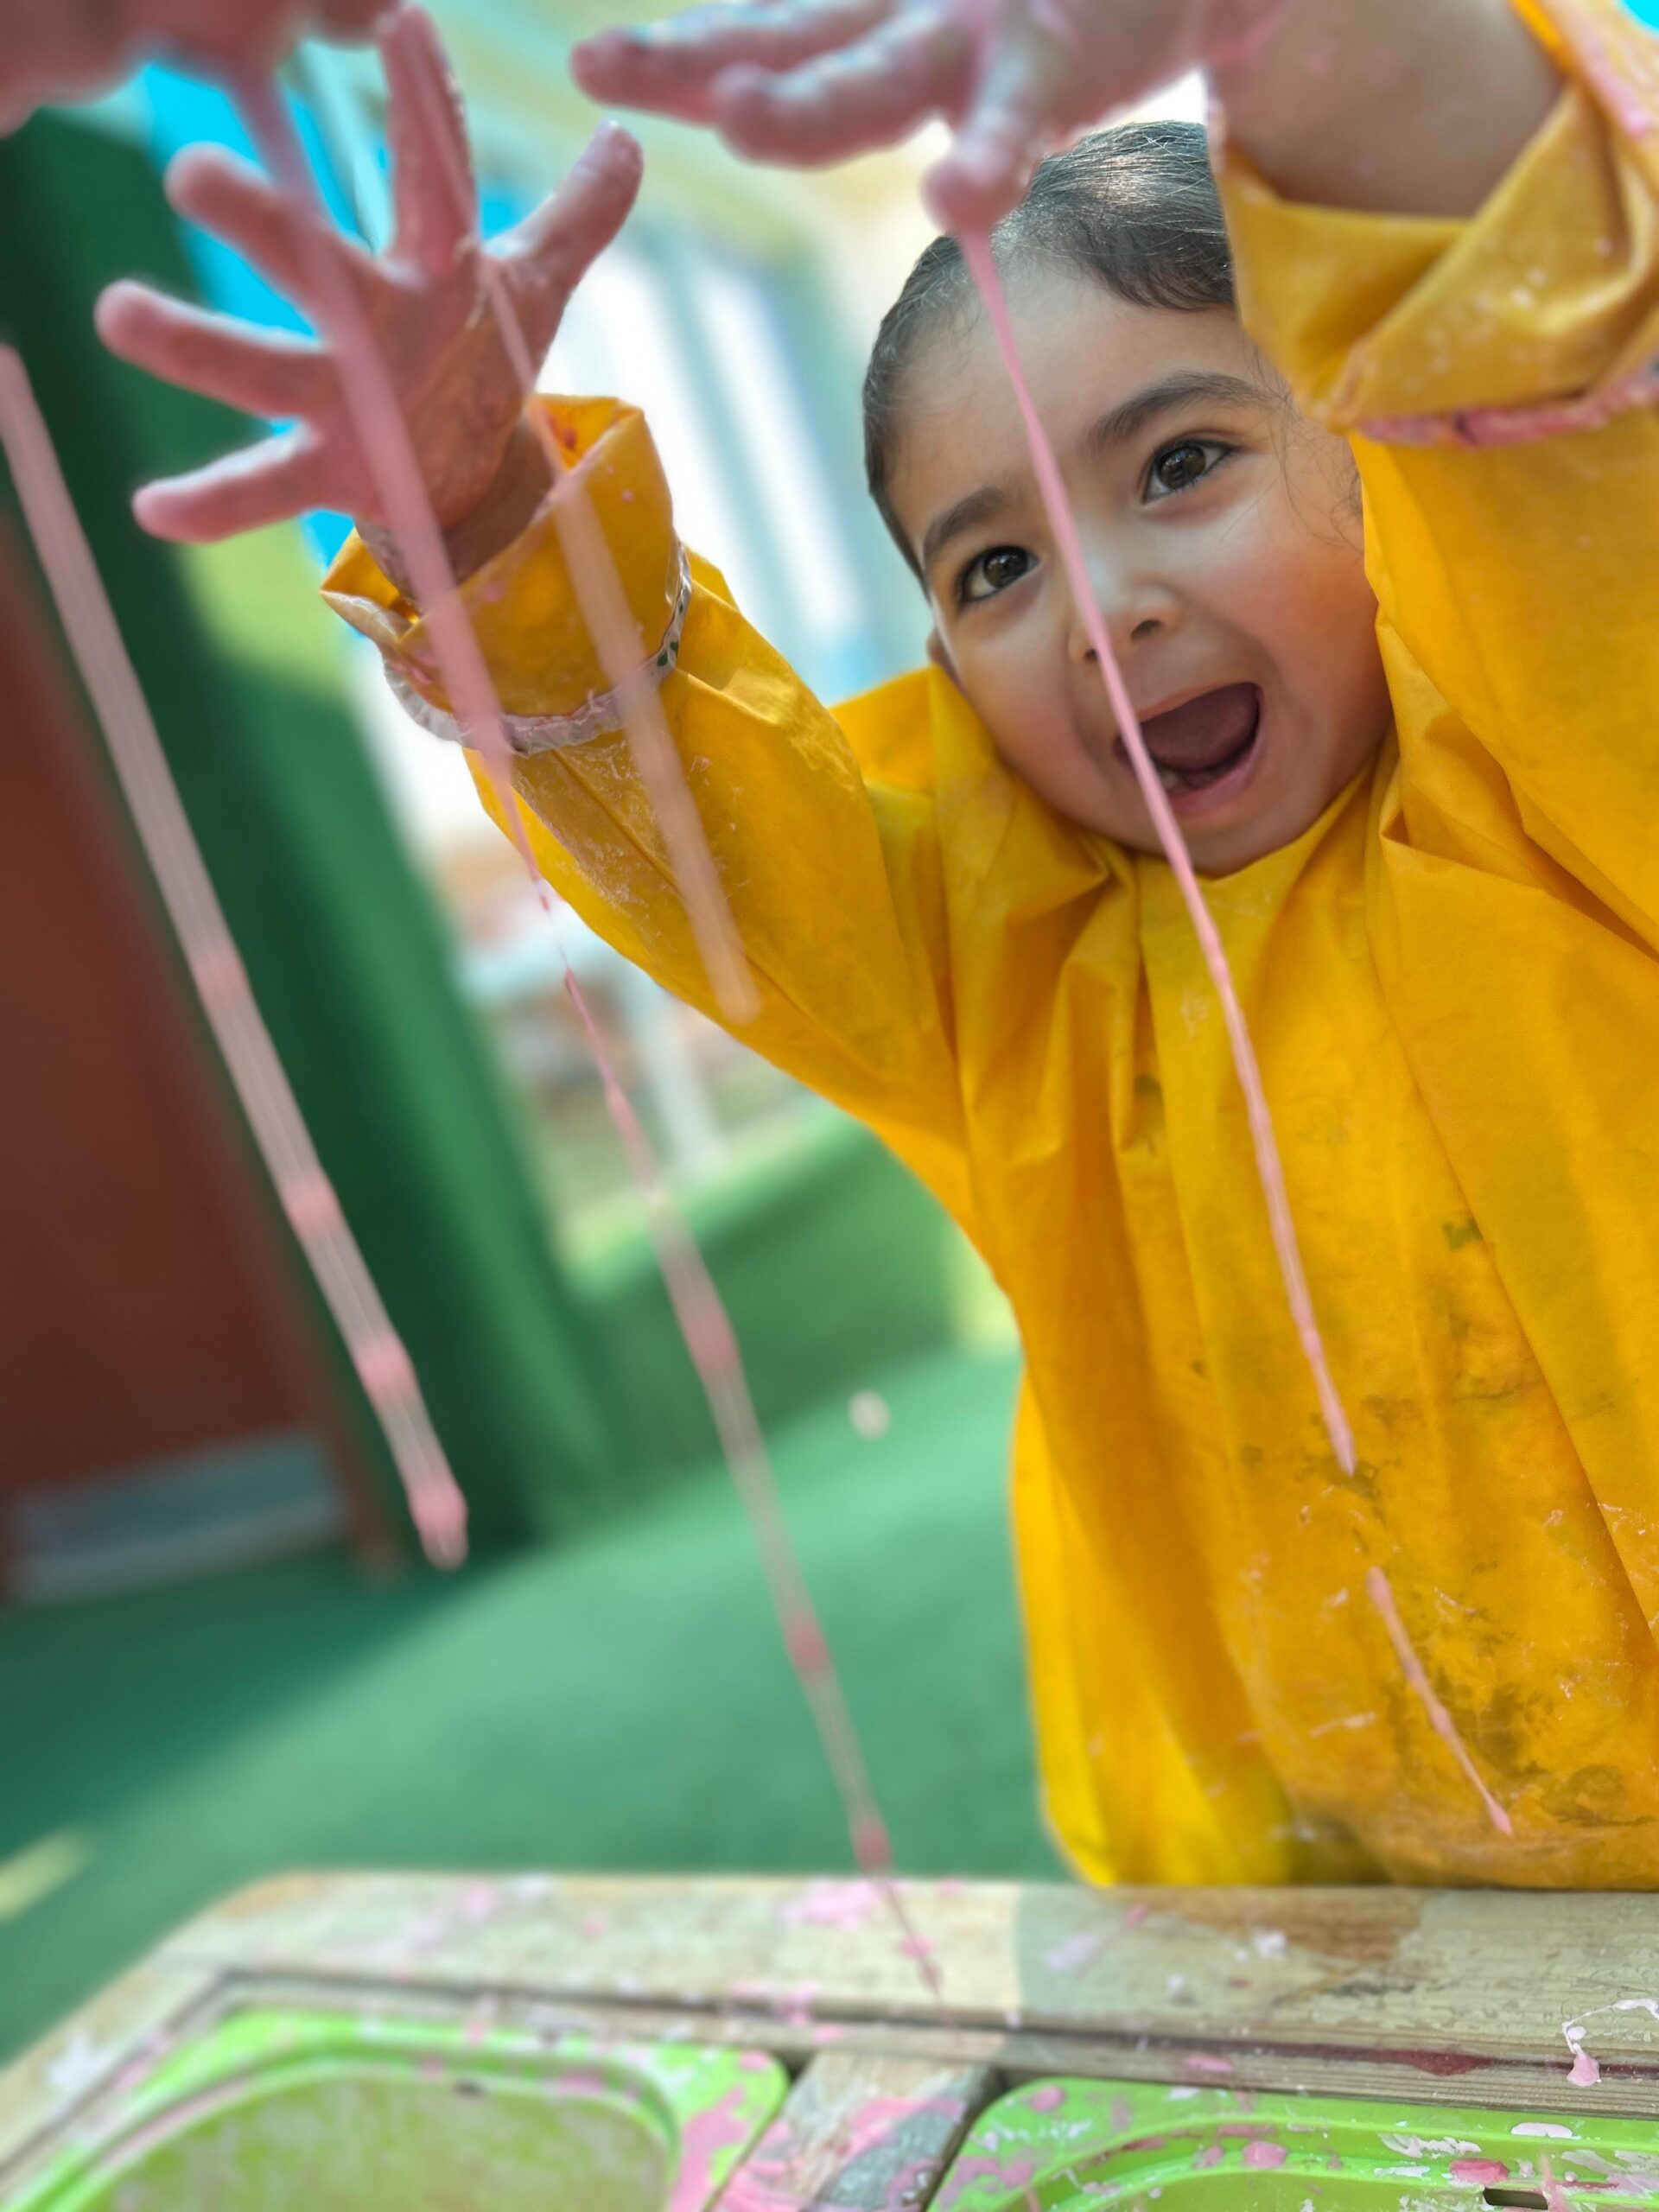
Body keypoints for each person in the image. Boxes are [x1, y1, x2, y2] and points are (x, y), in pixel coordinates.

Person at [100, 0, 1659, 1887]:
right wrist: (487, 504)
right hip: (1318, 1919)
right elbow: (712, 828)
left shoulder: (1577, 780)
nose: (1100, 609)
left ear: (1373, 442)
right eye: (995, 566)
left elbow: (1547, 385)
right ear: (944, 660)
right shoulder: (997, 967)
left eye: (1181, 462)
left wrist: (1313, 40)